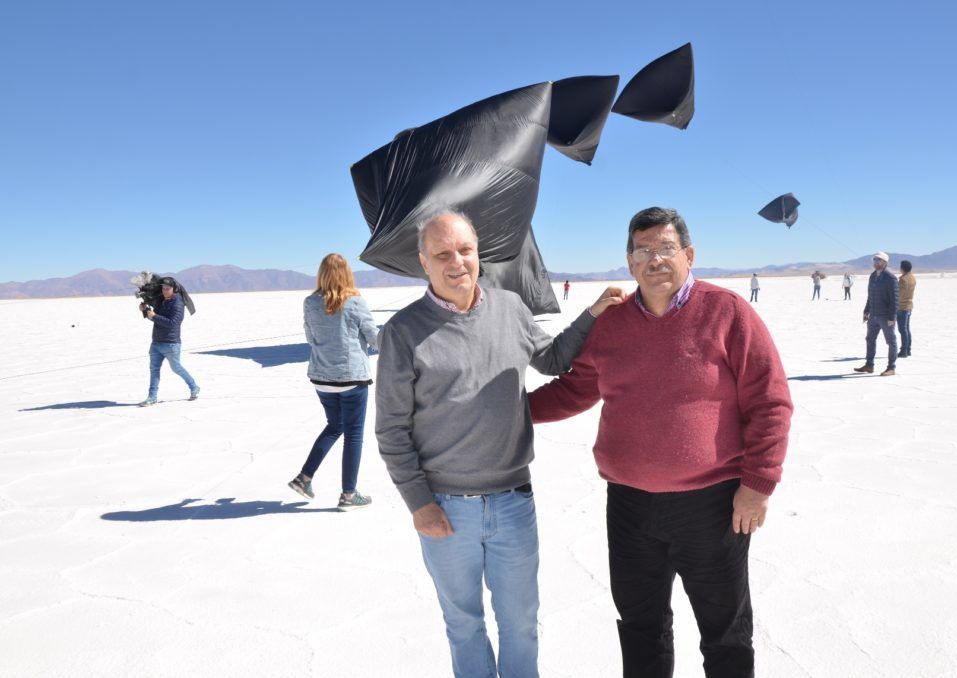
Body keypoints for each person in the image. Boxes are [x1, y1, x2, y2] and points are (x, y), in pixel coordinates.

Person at [529, 207, 793, 678]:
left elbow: (770, 400)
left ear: (689, 255)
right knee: (641, 626)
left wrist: (757, 484)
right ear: (629, 263)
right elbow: (577, 388)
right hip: (630, 507)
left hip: (713, 506)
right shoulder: (611, 324)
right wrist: (511, 414)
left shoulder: (727, 311)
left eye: (666, 248)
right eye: (644, 250)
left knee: (726, 632)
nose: (655, 259)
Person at [375, 210, 625, 678]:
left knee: (521, 624)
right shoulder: (403, 331)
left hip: (513, 503)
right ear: (423, 262)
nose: (457, 262)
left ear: (478, 253)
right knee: (463, 624)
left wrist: (591, 315)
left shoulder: (511, 308)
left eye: (465, 250)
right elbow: (391, 429)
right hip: (446, 509)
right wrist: (419, 504)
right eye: (442, 254)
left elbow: (551, 360)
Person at [287, 253, 378, 510]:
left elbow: (310, 336)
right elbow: (374, 338)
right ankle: (348, 495)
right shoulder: (355, 302)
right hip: (351, 378)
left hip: (321, 377)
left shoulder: (310, 302)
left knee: (334, 425)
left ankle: (304, 478)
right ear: (347, 273)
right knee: (354, 435)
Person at [139, 277, 199, 406]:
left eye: (167, 288)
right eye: (163, 288)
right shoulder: (162, 300)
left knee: (176, 368)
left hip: (171, 343)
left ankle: (194, 387)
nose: (165, 291)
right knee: (154, 370)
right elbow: (157, 319)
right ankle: (152, 397)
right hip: (156, 342)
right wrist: (145, 311)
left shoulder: (178, 303)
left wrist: (154, 316)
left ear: (174, 289)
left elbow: (172, 323)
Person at [854, 251, 899, 377]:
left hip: (885, 317)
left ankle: (891, 368)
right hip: (873, 315)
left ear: (885, 262)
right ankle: (869, 365)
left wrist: (891, 317)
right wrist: (866, 310)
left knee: (891, 341)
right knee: (870, 339)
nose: (876, 262)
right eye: (874, 260)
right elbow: (870, 296)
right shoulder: (873, 276)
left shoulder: (890, 277)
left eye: (878, 260)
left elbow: (895, 299)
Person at [897, 259, 916, 358]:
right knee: (907, 329)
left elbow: (899, 295)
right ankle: (908, 349)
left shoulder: (903, 280)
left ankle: (904, 350)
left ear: (902, 268)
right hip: (909, 306)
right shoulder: (912, 278)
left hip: (902, 307)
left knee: (902, 329)